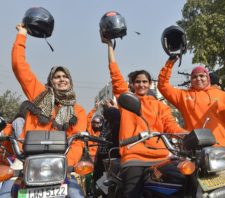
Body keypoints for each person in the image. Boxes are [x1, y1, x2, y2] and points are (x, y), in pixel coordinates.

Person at [0, 23, 87, 198]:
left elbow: (77, 141)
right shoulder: (39, 95)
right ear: (51, 81)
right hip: (26, 162)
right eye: (57, 76)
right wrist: (22, 35)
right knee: (6, 193)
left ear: (70, 82)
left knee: (77, 195)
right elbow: (19, 66)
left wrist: (66, 164)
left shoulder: (78, 110)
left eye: (65, 77)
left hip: (59, 165)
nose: (61, 79)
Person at [101, 35, 186, 198]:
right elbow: (116, 77)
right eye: (138, 82)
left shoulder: (159, 105)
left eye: (145, 82)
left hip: (161, 157)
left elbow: (171, 126)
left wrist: (188, 135)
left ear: (149, 84)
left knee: (186, 180)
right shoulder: (127, 101)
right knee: (131, 193)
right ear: (132, 84)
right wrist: (110, 47)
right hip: (135, 156)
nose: (141, 84)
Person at [158, 57, 225, 180]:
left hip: (221, 152)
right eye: (194, 77)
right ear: (191, 80)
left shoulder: (223, 96)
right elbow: (163, 85)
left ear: (208, 78)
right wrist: (170, 62)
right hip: (195, 153)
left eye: (202, 76)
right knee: (197, 191)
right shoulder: (183, 96)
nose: (198, 78)